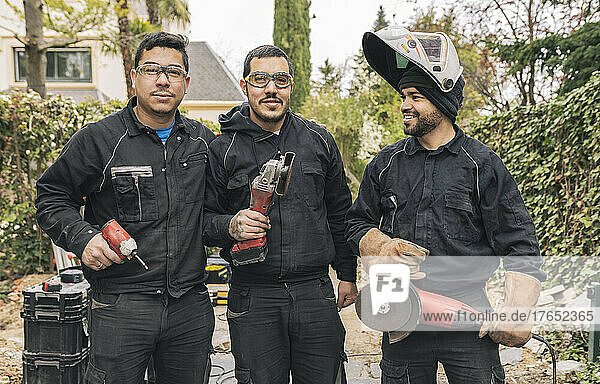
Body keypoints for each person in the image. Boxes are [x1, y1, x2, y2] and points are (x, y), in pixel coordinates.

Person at [346, 26, 546, 383]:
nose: (404, 105)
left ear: (442, 99)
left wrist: (517, 311)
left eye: (415, 97)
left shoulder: (480, 164)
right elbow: (356, 224)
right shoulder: (386, 163)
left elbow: (520, 244)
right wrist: (381, 246)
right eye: (403, 96)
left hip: (467, 315)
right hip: (400, 311)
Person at [35, 32, 215, 384]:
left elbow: (216, 213)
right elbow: (51, 196)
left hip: (189, 306)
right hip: (121, 306)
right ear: (134, 78)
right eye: (151, 69)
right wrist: (84, 238)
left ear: (186, 82)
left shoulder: (202, 142)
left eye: (173, 72)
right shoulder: (99, 140)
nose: (163, 80)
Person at [203, 45, 357, 384]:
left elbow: (340, 213)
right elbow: (201, 221)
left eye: (280, 79)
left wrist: (347, 273)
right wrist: (231, 225)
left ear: (291, 86)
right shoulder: (222, 149)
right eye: (260, 79)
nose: (271, 88)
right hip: (253, 295)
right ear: (245, 86)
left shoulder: (318, 140)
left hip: (314, 292)